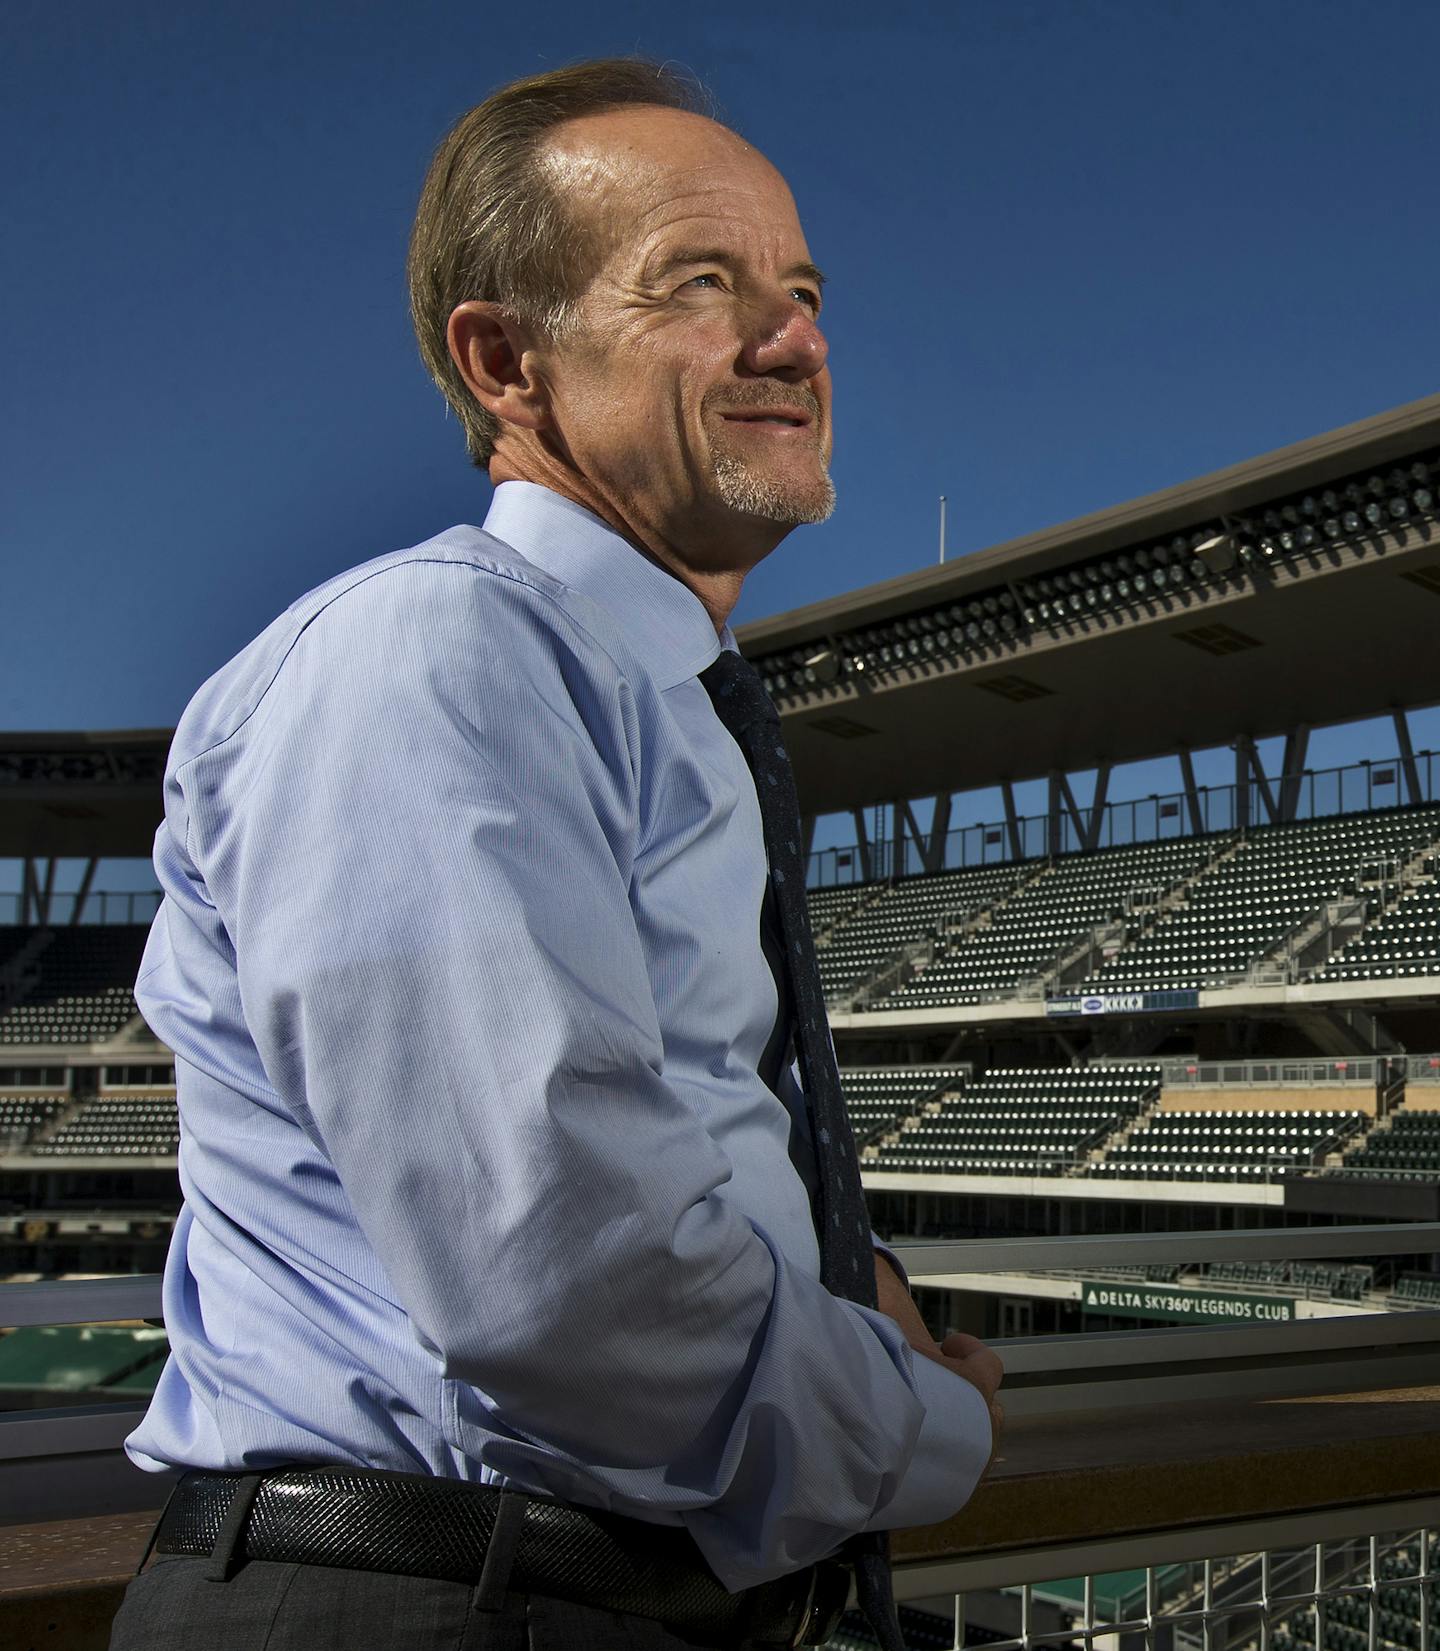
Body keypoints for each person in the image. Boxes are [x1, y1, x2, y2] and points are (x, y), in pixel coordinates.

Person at [108, 57, 1004, 1651]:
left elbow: (672, 1144)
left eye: (800, 290)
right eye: (702, 285)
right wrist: (923, 1421)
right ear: (507, 359)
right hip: (426, 1598)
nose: (793, 338)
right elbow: (567, 1282)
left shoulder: (647, 700)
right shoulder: (438, 653)